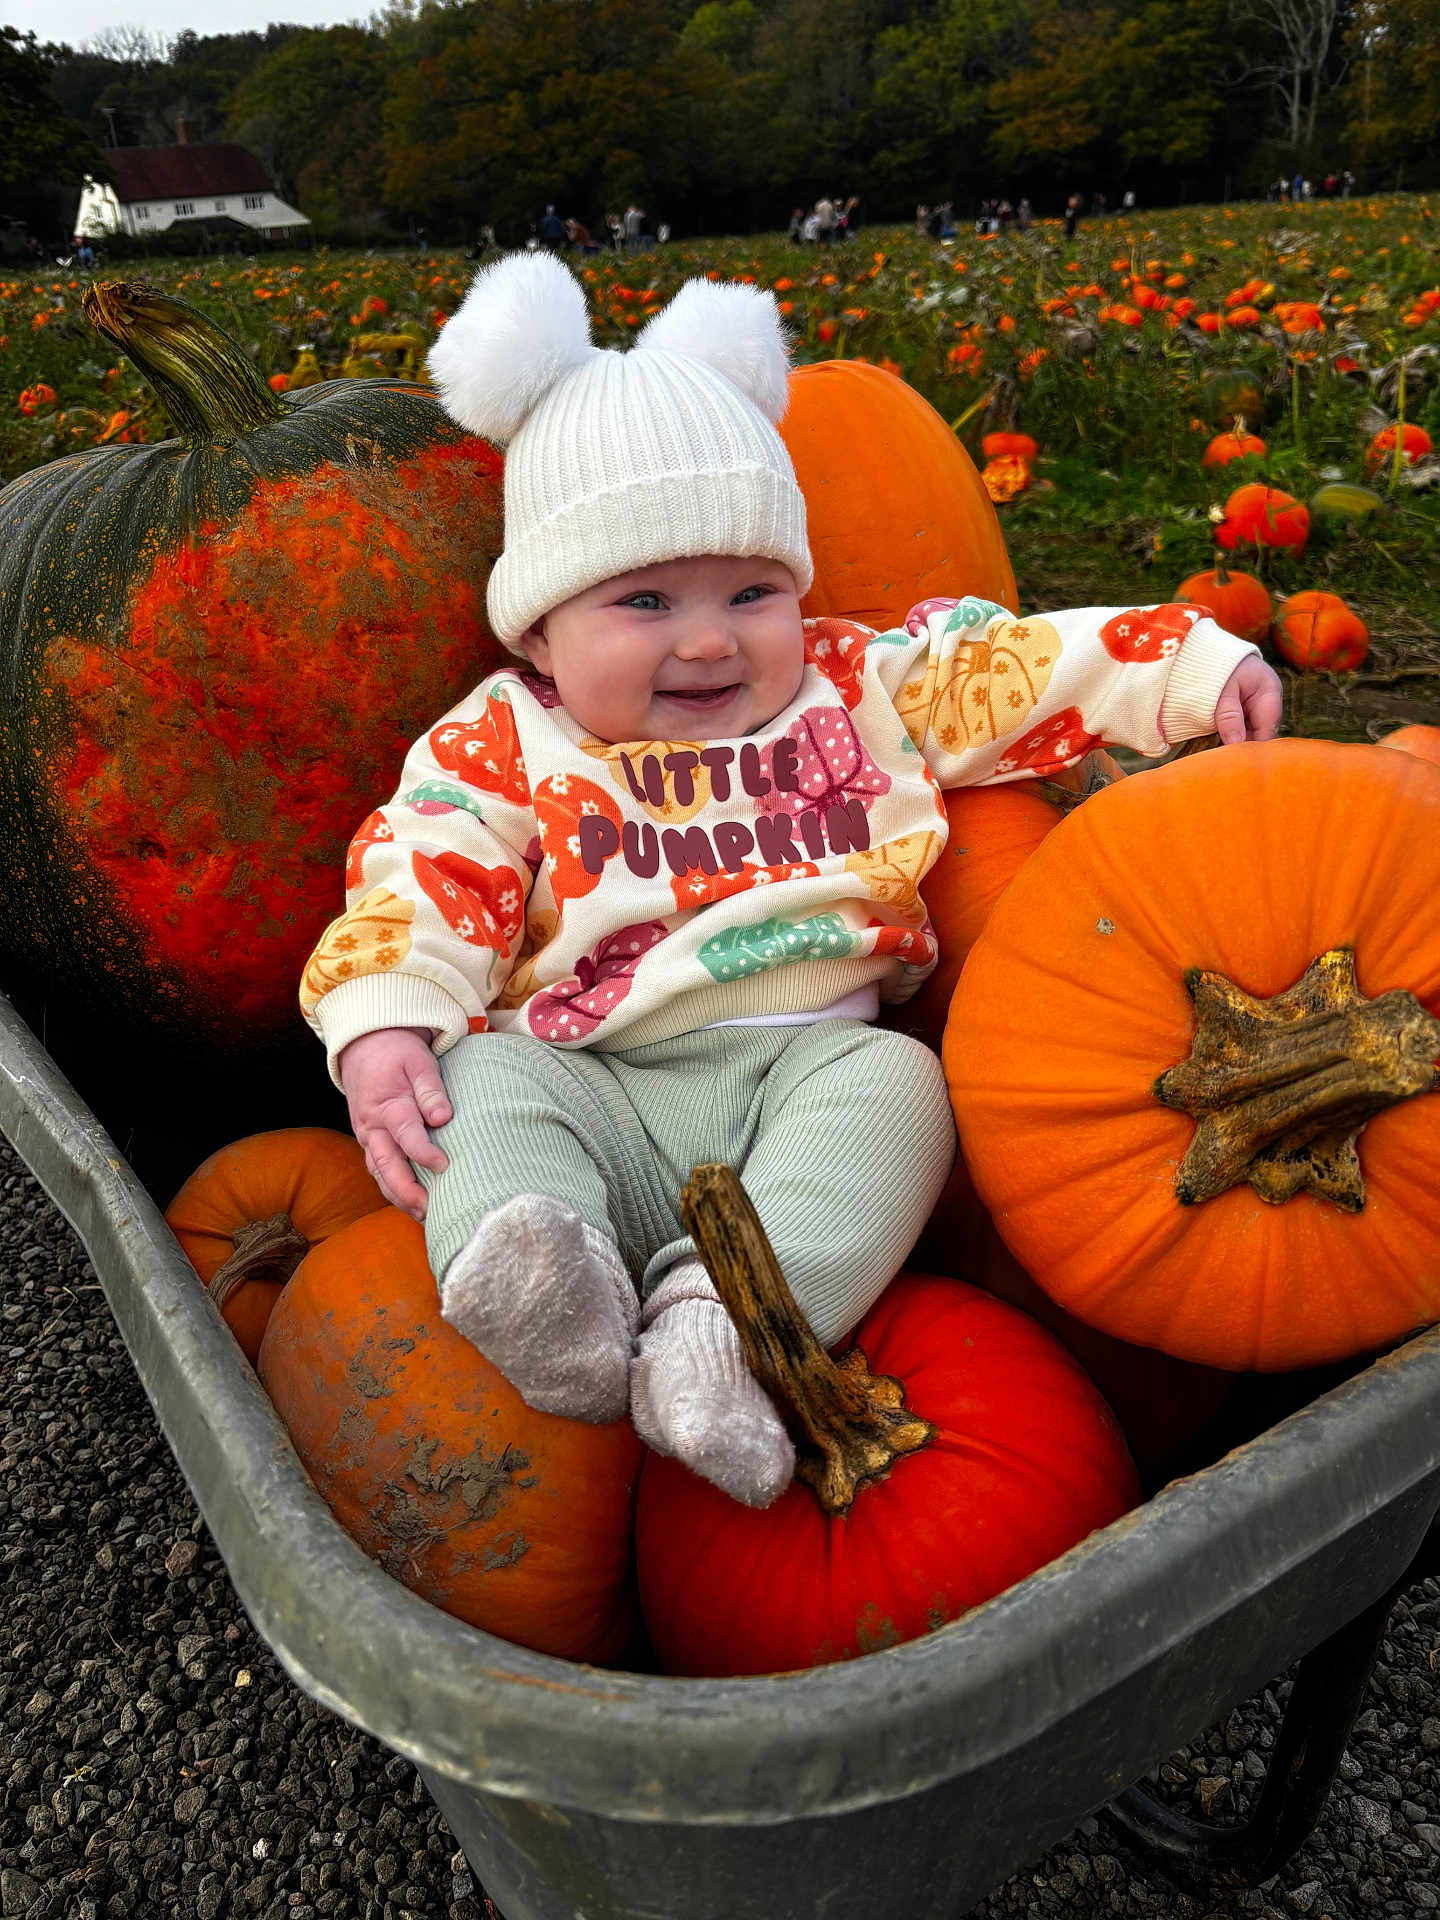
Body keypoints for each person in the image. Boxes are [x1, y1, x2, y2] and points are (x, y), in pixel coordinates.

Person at [301, 251, 1282, 1510]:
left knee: (904, 1090)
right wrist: (384, 1015)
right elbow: (420, 861)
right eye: (645, 599)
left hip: (805, 1068)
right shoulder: (504, 738)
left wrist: (1186, 667)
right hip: (594, 1072)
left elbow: (1014, 663)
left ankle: (729, 1328)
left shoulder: (853, 678)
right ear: (540, 628)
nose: (709, 638)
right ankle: (547, 1275)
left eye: (751, 590)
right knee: (479, 1089)